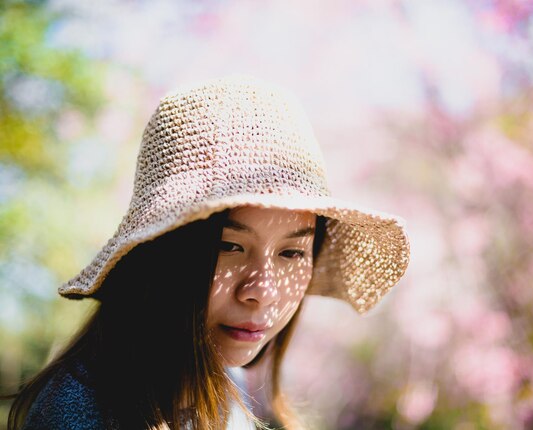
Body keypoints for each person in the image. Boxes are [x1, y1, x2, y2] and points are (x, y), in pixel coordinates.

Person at [6, 75, 410, 429]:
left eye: (292, 253)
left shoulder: (221, 384)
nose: (261, 291)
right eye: (230, 246)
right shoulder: (79, 411)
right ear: (161, 253)